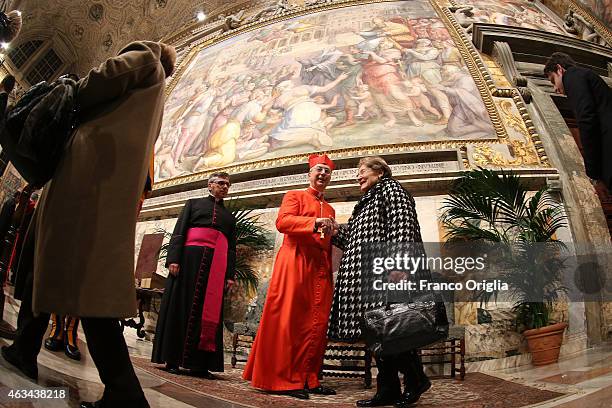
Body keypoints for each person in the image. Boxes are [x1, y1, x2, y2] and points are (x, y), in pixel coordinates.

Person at [1, 40, 176, 408]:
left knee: (85, 281)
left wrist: (68, 90)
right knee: (58, 266)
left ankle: (123, 391)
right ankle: (26, 348)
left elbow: (104, 78)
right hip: (93, 178)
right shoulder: (152, 99)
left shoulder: (146, 57)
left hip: (84, 174)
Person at [327, 156, 431, 408]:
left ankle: (416, 379)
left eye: (362, 171)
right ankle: (388, 390)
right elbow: (351, 239)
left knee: (392, 332)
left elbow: (403, 227)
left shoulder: (393, 191)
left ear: (380, 172)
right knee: (379, 335)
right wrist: (335, 232)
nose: (357, 176)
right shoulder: (366, 201)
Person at [243, 154, 337, 399]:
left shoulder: (330, 208)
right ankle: (285, 380)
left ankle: (310, 378)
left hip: (319, 267)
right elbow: (283, 222)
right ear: (309, 174)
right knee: (290, 320)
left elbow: (327, 240)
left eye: (327, 171)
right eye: (319, 170)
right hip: (295, 262)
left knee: (317, 322)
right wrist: (315, 222)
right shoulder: (294, 195)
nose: (323, 174)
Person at [152, 172, 237, 378]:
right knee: (179, 307)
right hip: (188, 263)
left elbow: (232, 248)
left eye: (227, 184)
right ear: (209, 185)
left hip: (215, 267)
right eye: (220, 183)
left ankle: (200, 365)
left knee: (207, 312)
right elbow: (179, 232)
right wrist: (173, 259)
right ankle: (172, 359)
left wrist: (229, 275)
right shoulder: (193, 204)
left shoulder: (229, 217)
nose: (224, 187)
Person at [544, 52, 612, 200]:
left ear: (559, 69)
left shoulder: (573, 77)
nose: (555, 88)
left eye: (553, 80)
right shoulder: (585, 76)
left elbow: (587, 120)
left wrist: (594, 176)